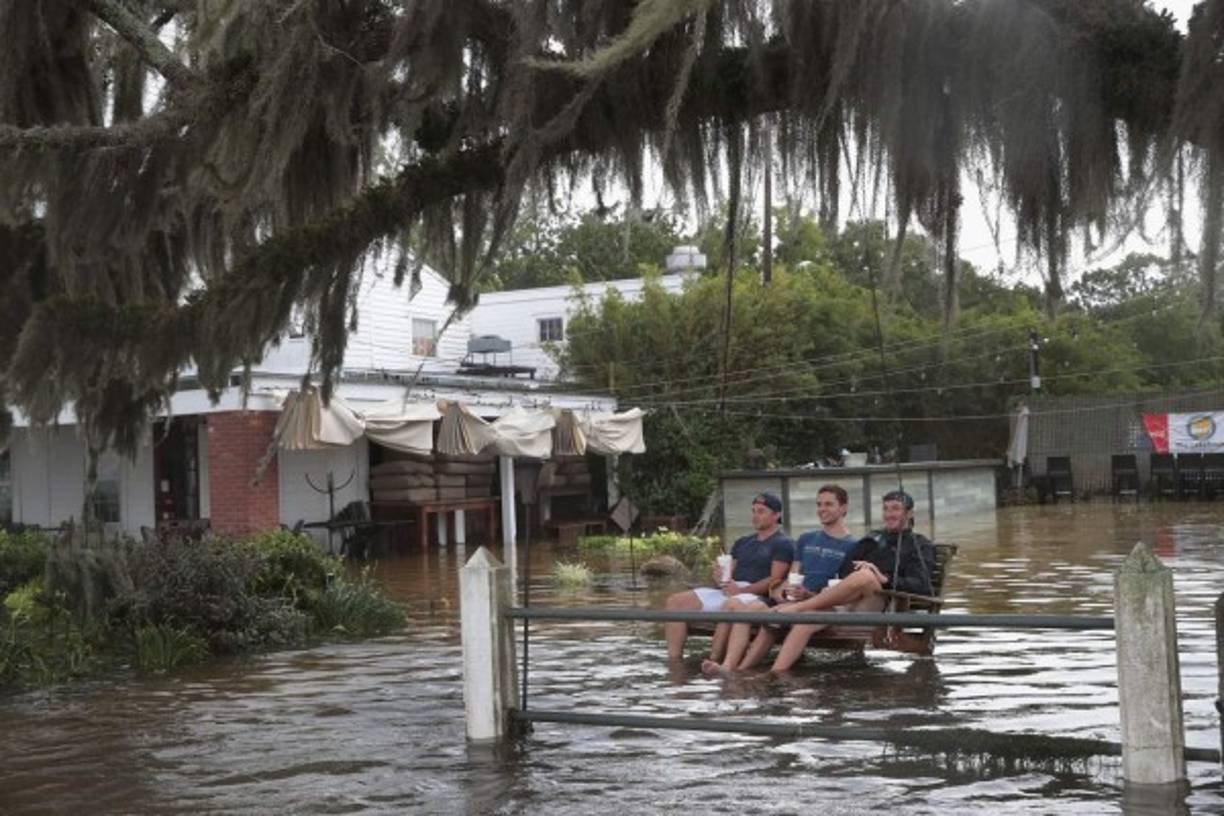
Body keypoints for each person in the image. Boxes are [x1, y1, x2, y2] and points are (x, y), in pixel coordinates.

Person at [761, 489, 934, 673]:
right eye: (886, 509)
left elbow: (922, 585)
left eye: (896, 508)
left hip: (878, 606)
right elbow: (843, 575)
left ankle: (797, 608)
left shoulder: (919, 544)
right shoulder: (872, 539)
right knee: (806, 622)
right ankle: (775, 674)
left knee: (866, 574)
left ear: (910, 513)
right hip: (845, 603)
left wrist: (885, 579)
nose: (889, 514)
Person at [703, 484, 858, 675]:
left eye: (828, 504)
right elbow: (793, 575)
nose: (822, 509)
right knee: (754, 611)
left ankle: (744, 671)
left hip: (823, 604)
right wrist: (783, 592)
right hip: (793, 601)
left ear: (843, 508)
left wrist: (808, 595)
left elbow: (843, 591)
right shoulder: (806, 538)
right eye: (819, 504)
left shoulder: (853, 545)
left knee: (772, 618)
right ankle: (732, 668)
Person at [663, 492, 793, 663]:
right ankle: (674, 662)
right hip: (730, 589)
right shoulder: (743, 542)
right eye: (753, 511)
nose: (755, 516)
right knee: (675, 601)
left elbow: (775, 580)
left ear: (776, 515)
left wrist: (741, 590)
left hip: (754, 595)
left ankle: (714, 659)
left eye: (761, 511)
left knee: (730, 604)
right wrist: (719, 575)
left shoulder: (783, 543)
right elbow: (728, 568)